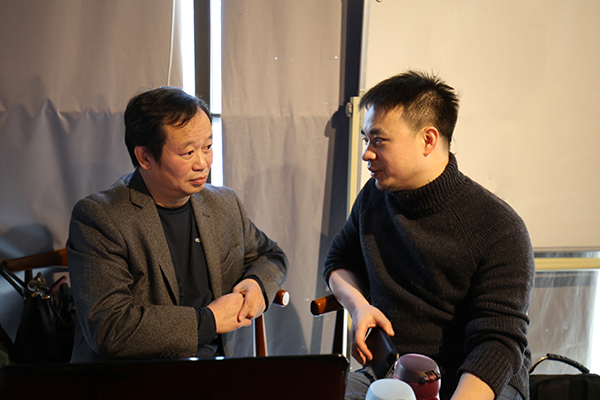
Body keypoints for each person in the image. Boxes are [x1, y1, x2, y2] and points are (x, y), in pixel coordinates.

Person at [324, 71, 534, 400]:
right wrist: (359, 306)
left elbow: (497, 343)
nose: (367, 153)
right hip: (394, 370)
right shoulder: (374, 197)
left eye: (379, 141)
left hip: (475, 379)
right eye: (366, 140)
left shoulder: (499, 227)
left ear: (428, 140)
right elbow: (339, 261)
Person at [67, 87, 288, 362]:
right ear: (145, 157)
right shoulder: (101, 217)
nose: (202, 163)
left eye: (207, 147)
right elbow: (110, 329)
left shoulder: (223, 203)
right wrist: (208, 320)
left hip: (219, 368)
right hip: (140, 375)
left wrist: (256, 284)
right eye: (188, 152)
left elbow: (271, 255)